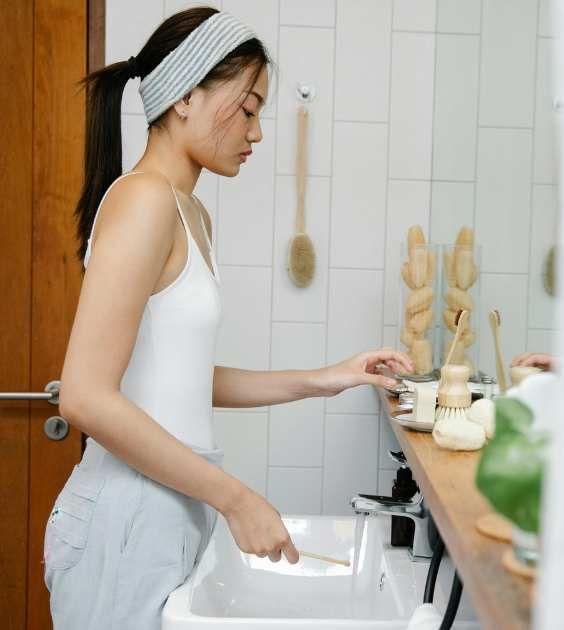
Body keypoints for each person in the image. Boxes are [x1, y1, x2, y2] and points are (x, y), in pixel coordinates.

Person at [47, 9, 409, 629]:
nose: (257, 132)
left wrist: (331, 376)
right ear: (186, 96)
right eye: (247, 108)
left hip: (167, 508)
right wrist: (235, 498)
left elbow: (178, 379)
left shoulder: (188, 213)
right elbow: (83, 397)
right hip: (125, 515)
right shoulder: (143, 202)